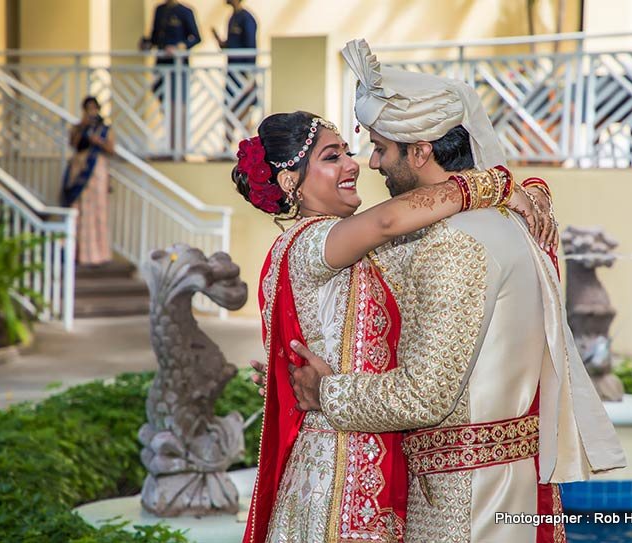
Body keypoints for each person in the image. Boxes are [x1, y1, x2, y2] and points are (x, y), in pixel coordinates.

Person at [283, 39, 627, 543]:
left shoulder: (453, 242)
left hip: (467, 505)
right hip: (498, 485)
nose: (372, 164)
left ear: (420, 150)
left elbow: (424, 395)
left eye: (380, 148)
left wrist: (324, 391)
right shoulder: (504, 220)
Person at [233, 111, 544, 542]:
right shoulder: (309, 242)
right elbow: (388, 220)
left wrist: (530, 195)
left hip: (368, 459)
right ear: (291, 183)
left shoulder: (350, 244)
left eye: (348, 151)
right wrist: (496, 185)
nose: (353, 164)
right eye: (331, 156)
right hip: (334, 474)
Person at [62, 96, 115, 266]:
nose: (91, 112)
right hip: (80, 169)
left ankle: (98, 255)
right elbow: (73, 143)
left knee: (97, 212)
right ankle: (77, 254)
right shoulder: (78, 127)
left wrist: (98, 141)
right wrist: (83, 128)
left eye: (94, 108)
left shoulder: (105, 129)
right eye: (88, 109)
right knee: (79, 211)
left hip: (96, 170)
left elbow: (111, 149)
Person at [144, 0, 201, 153]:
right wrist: (147, 43)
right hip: (162, 65)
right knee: (164, 102)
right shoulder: (160, 10)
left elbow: (195, 37)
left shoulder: (185, 11)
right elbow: (155, 36)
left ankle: (179, 146)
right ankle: (169, 143)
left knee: (178, 104)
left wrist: (179, 47)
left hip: (179, 66)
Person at [213, 0, 258, 126]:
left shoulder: (247, 18)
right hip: (232, 72)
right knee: (230, 108)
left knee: (244, 108)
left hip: (243, 73)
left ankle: (247, 141)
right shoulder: (232, 17)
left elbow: (251, 48)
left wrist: (250, 75)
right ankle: (228, 141)